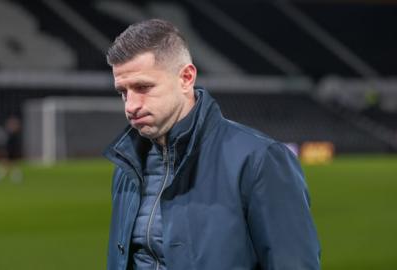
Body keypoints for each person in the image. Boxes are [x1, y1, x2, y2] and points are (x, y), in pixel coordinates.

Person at [103, 19, 320, 270]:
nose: (130, 105)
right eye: (123, 92)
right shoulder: (127, 168)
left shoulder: (259, 159)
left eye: (143, 87)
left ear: (186, 78)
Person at [0, 116, 23, 182]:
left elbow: (13, 146)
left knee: (9, 165)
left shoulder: (14, 136)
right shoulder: (9, 135)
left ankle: (15, 177)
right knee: (6, 165)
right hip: (9, 152)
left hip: (12, 152)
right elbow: (6, 145)